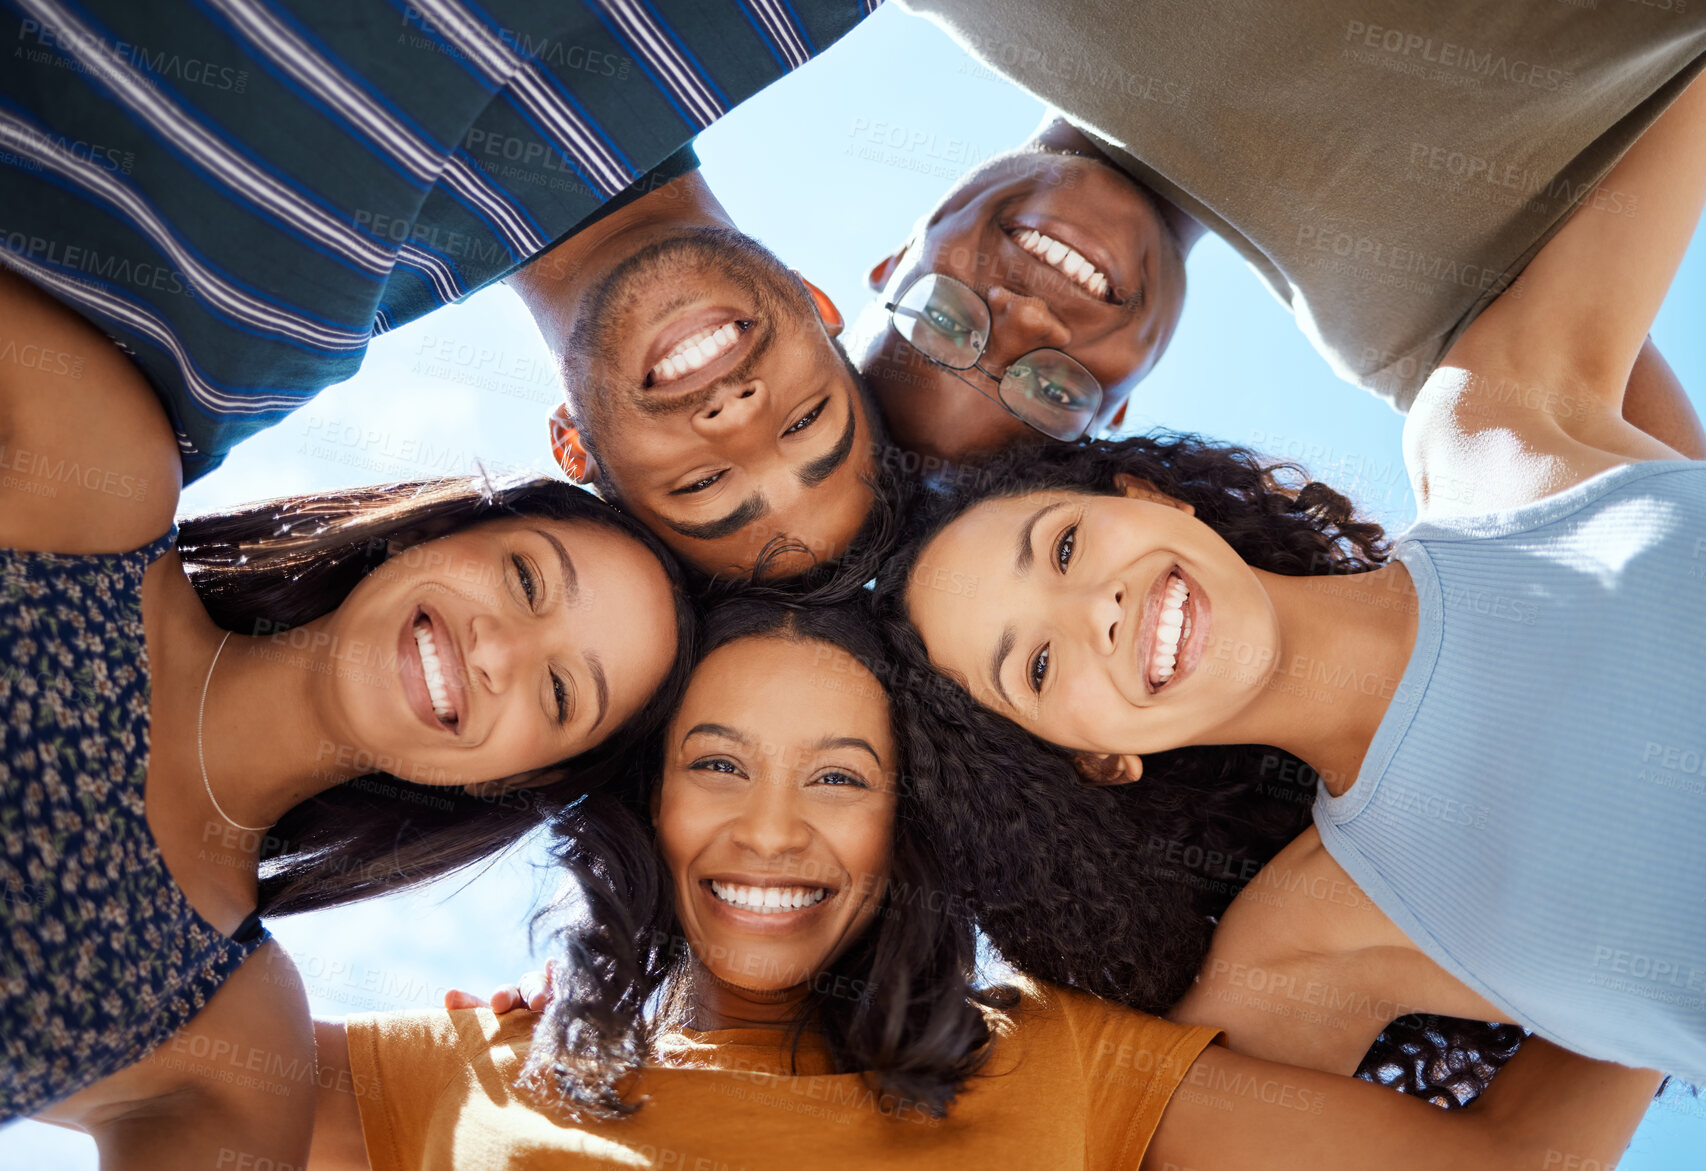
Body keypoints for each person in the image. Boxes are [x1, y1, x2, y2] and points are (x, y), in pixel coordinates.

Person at [874, 72, 1706, 1083]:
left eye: (1060, 549)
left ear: (1149, 497)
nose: (1095, 610)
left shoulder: (1492, 424)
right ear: (1092, 759)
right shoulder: (1317, 937)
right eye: (1038, 666)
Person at [307, 599, 1659, 1171]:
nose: (771, 830)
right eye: (718, 763)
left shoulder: (1053, 1058)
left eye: (838, 777)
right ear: (644, 798)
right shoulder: (462, 1066)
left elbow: (1507, 1158)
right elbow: (133, 1041)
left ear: (907, 829)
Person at [0, 258, 695, 1159]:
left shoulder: (230, 1037)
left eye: (559, 693)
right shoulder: (96, 473)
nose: (496, 651)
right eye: (526, 578)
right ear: (434, 530)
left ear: (512, 780)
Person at [0, 0, 892, 578]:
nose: (735, 416)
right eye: (805, 421)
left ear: (574, 447)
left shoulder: (229, 347)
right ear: (819, 304)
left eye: (702, 483)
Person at [853, 0, 1706, 464]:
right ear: (1115, 409)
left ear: (894, 263)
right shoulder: (1410, 326)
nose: (1028, 323)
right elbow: (1675, 561)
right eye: (1051, 393)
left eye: (947, 323)